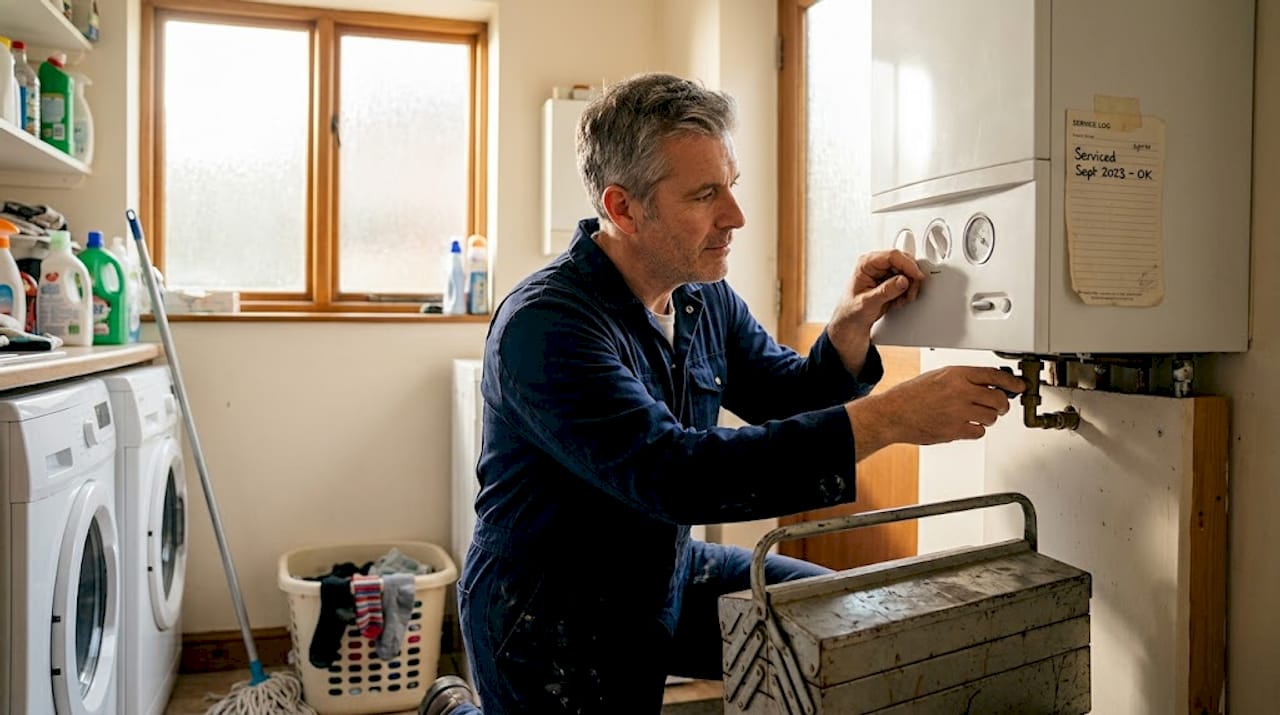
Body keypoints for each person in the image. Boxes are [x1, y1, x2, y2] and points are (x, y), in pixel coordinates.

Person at [419, 72, 1025, 715]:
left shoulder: (702, 297)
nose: (735, 216)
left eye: (731, 185)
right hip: (550, 610)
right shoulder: (544, 326)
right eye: (705, 194)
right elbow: (678, 475)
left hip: (665, 568)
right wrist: (891, 418)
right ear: (623, 209)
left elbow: (787, 395)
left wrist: (846, 331)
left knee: (843, 620)